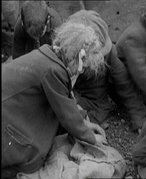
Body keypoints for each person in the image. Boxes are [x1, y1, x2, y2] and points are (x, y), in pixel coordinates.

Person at [2, 21, 107, 178]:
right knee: (32, 158)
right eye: (83, 66)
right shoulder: (54, 71)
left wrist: (84, 122)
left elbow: (65, 98)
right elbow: (66, 114)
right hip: (7, 110)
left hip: (10, 103)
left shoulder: (49, 55)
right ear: (78, 56)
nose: (82, 70)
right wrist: (91, 138)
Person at [66, 10, 146, 131]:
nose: (98, 58)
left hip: (93, 96)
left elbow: (125, 84)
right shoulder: (64, 52)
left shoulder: (109, 54)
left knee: (99, 111)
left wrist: (139, 118)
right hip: (68, 90)